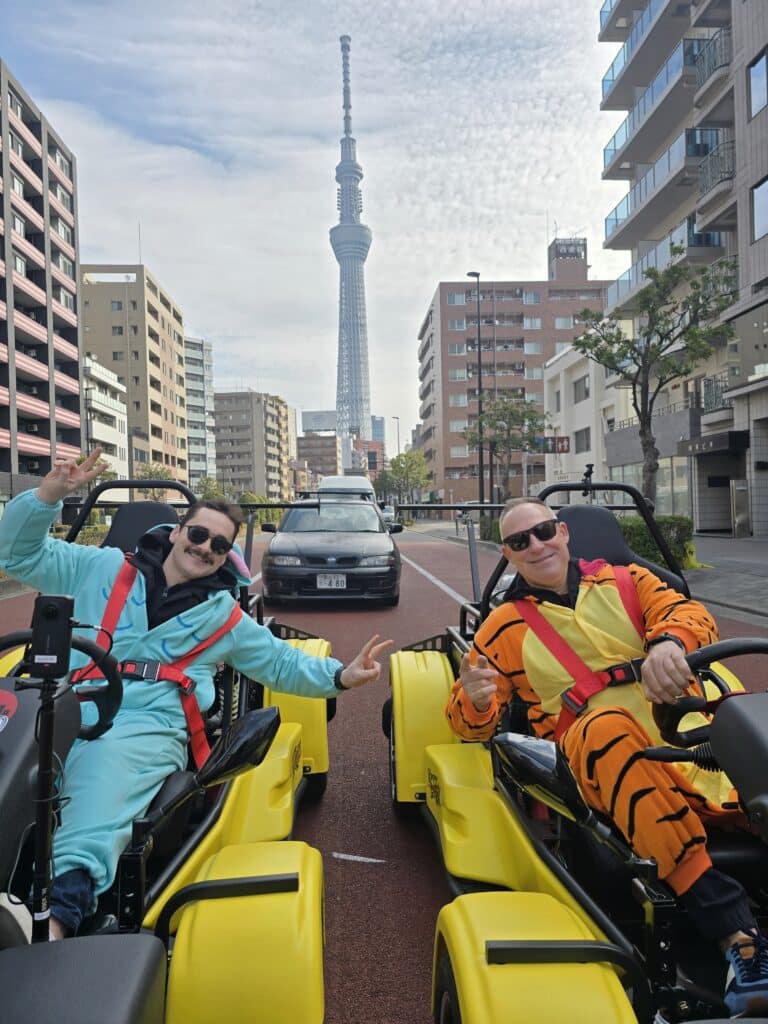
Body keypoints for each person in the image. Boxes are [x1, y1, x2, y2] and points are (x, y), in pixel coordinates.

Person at [0, 450, 392, 942]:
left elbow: (281, 661)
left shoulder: (223, 617)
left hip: (145, 723)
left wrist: (341, 675)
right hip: (63, 705)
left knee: (100, 786)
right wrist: (47, 495)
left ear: (227, 555)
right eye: (199, 534)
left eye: (219, 544)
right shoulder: (99, 568)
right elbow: (17, 555)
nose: (205, 548)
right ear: (178, 530)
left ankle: (56, 920)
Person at [446, 497, 768, 1017]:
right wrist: (478, 698)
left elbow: (690, 615)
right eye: (518, 542)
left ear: (564, 532)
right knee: (606, 729)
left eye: (544, 530)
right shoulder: (502, 626)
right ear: (508, 553)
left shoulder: (629, 581)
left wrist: (667, 642)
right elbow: (465, 725)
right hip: (596, 748)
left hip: (685, 728)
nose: (536, 545)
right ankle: (736, 932)